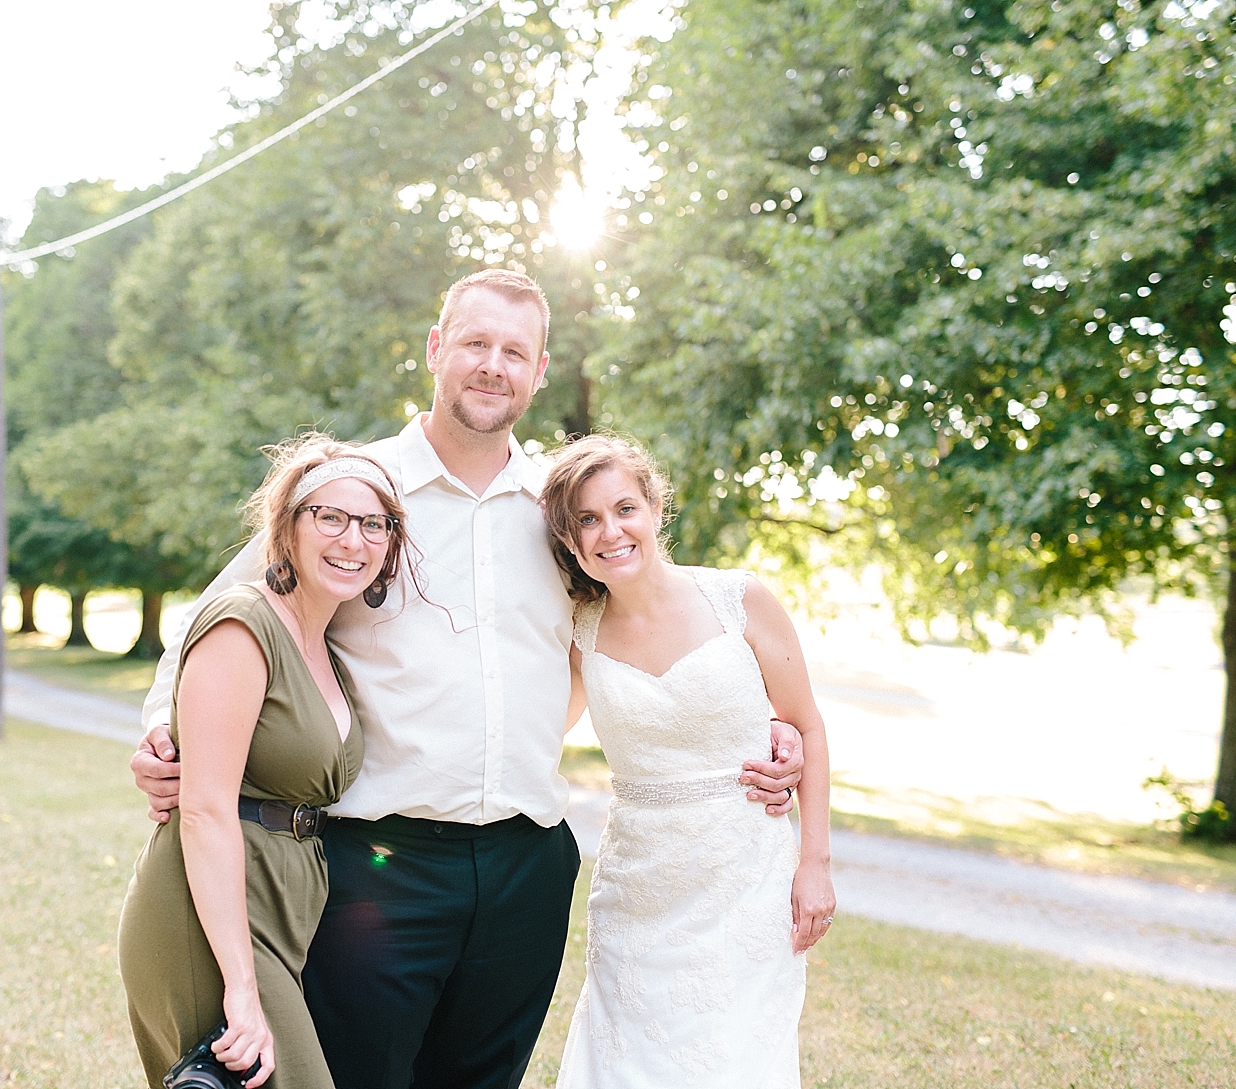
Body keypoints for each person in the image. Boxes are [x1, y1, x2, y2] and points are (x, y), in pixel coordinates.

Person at [129, 269, 807, 1089]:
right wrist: (164, 731)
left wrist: (752, 722)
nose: (493, 365)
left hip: (527, 868)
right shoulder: (357, 492)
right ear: (436, 349)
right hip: (378, 864)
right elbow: (226, 611)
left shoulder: (560, 509)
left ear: (540, 370)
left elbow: (644, 611)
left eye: (514, 351)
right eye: (476, 343)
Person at [539, 434, 835, 1088]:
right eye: (586, 519)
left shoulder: (739, 600)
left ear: (653, 507)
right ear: (569, 538)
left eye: (623, 508)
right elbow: (535, 733)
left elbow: (807, 724)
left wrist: (813, 864)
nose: (609, 531)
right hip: (639, 889)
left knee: (734, 1060)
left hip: (745, 879)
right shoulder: (579, 632)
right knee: (628, 1060)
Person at [117, 436, 412, 1089]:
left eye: (373, 524)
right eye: (329, 516)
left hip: (279, 911)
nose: (352, 539)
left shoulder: (326, 647)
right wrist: (242, 987)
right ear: (288, 527)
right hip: (207, 912)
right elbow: (204, 808)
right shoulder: (244, 624)